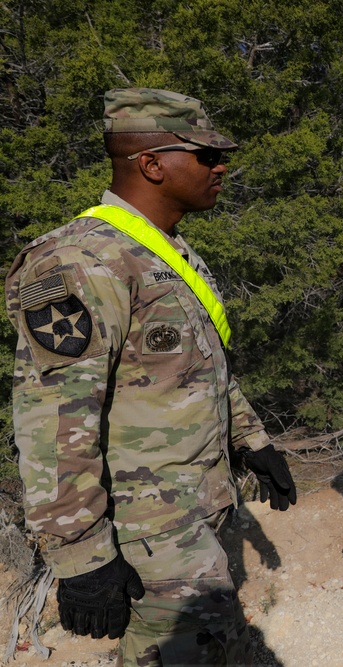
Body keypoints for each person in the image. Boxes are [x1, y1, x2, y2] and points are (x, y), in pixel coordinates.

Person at [4, 88, 297, 666]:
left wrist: (251, 440)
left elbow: (197, 368)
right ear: (151, 164)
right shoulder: (81, 261)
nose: (221, 167)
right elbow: (55, 421)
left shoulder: (165, 252)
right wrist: (82, 556)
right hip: (147, 531)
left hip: (194, 512)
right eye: (205, 156)